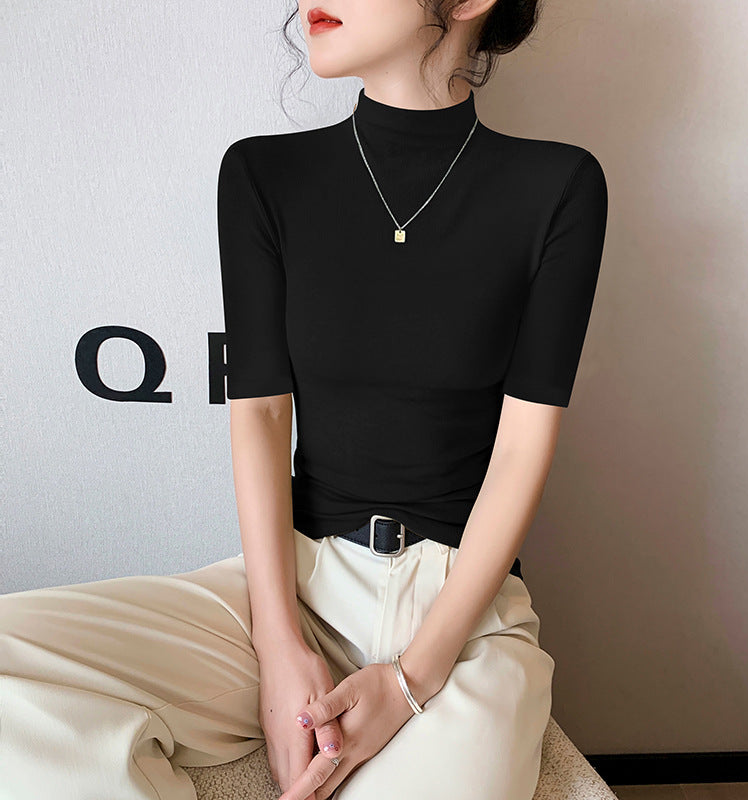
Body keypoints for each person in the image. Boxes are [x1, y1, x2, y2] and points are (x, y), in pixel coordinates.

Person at [0, 1, 608, 799]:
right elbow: (259, 413)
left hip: (463, 614)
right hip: (300, 579)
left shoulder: (559, 187)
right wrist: (278, 643)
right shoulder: (263, 175)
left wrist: (412, 680)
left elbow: (522, 449)